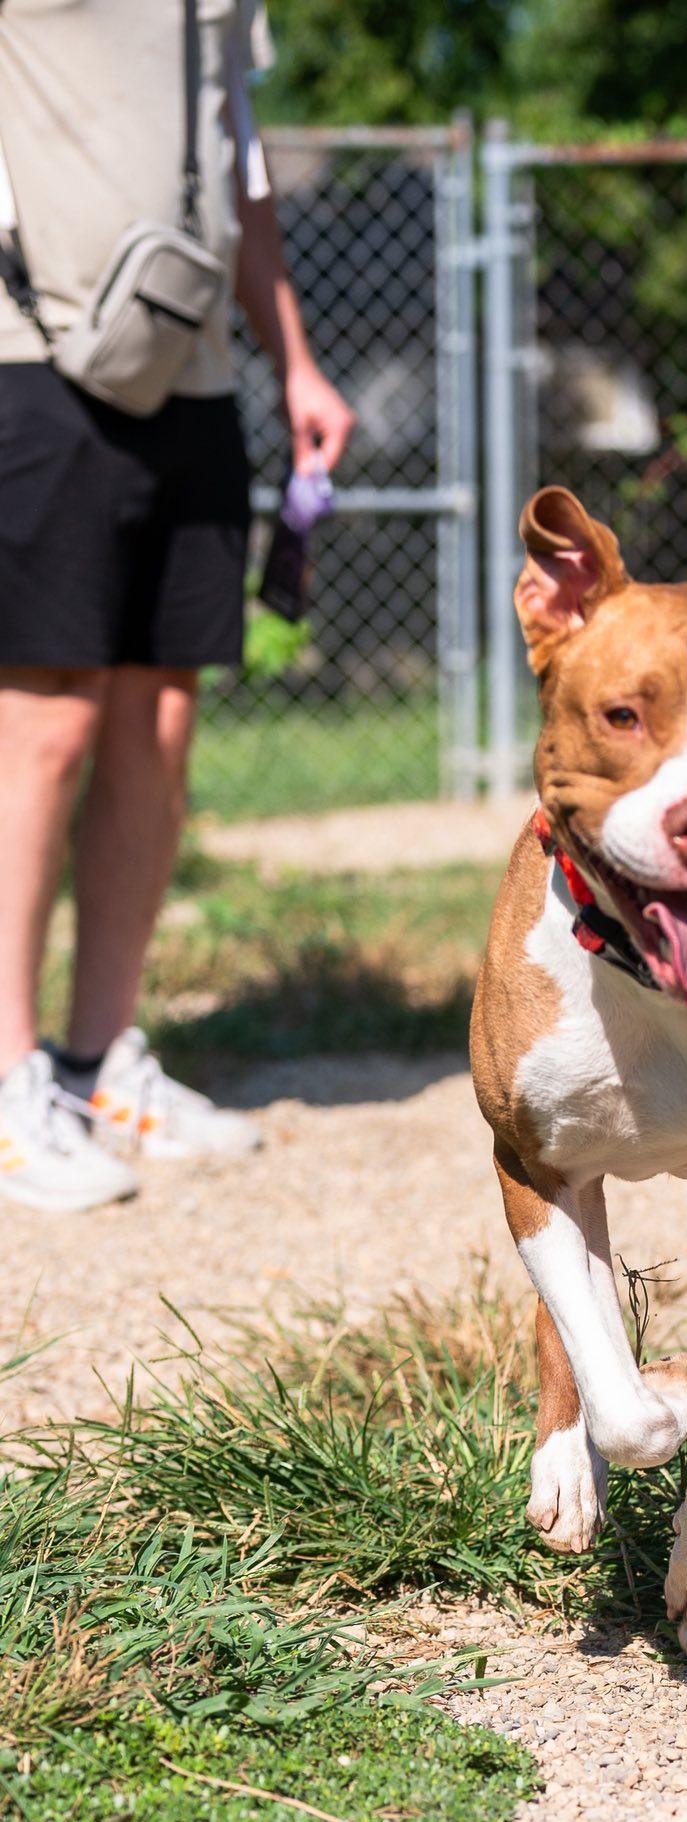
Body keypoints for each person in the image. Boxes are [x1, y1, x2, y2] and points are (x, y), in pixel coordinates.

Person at [0, 1, 353, 1211]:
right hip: (29, 350)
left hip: (187, 365)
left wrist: (294, 360)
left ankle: (95, 1062)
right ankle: (5, 1081)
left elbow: (237, 151)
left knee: (160, 717)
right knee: (46, 722)